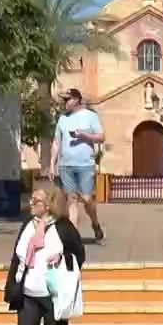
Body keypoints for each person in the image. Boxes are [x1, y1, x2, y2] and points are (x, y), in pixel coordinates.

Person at [4, 184, 85, 325]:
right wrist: (12, 286)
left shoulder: (63, 227)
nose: (31, 204)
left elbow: (79, 255)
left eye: (36, 201)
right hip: (28, 294)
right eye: (32, 200)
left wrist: (62, 258)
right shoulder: (27, 226)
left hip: (53, 296)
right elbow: (17, 258)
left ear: (49, 205)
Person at [48, 89, 105, 243]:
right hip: (66, 165)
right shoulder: (62, 119)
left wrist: (83, 135)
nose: (64, 103)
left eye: (67, 99)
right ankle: (73, 237)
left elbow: (101, 137)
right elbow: (56, 142)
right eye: (64, 100)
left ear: (77, 100)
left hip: (85, 165)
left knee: (87, 199)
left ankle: (95, 223)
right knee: (71, 200)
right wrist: (52, 163)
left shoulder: (90, 116)